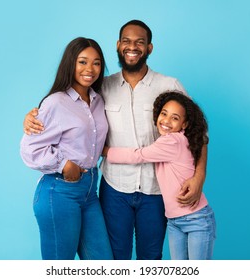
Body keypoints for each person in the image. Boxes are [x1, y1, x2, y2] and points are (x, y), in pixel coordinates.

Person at [23, 20, 208, 260]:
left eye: (140, 42)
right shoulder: (102, 88)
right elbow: (66, 107)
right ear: (118, 45)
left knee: (150, 258)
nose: (133, 47)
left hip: (155, 191)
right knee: (115, 260)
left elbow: (197, 132)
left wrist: (199, 177)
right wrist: (32, 116)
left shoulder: (168, 85)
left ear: (149, 48)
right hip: (114, 190)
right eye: (127, 41)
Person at [20, 37, 113, 260]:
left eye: (96, 63)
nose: (90, 69)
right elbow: (29, 148)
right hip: (59, 192)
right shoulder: (56, 102)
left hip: (90, 192)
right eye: (82, 62)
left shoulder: (99, 100)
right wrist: (64, 164)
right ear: (70, 64)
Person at [103, 91, 216, 260]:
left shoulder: (173, 141)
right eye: (164, 114)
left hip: (196, 219)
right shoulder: (181, 139)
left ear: (184, 124)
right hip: (174, 221)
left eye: (175, 118)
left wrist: (105, 151)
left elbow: (137, 155)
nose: (166, 121)